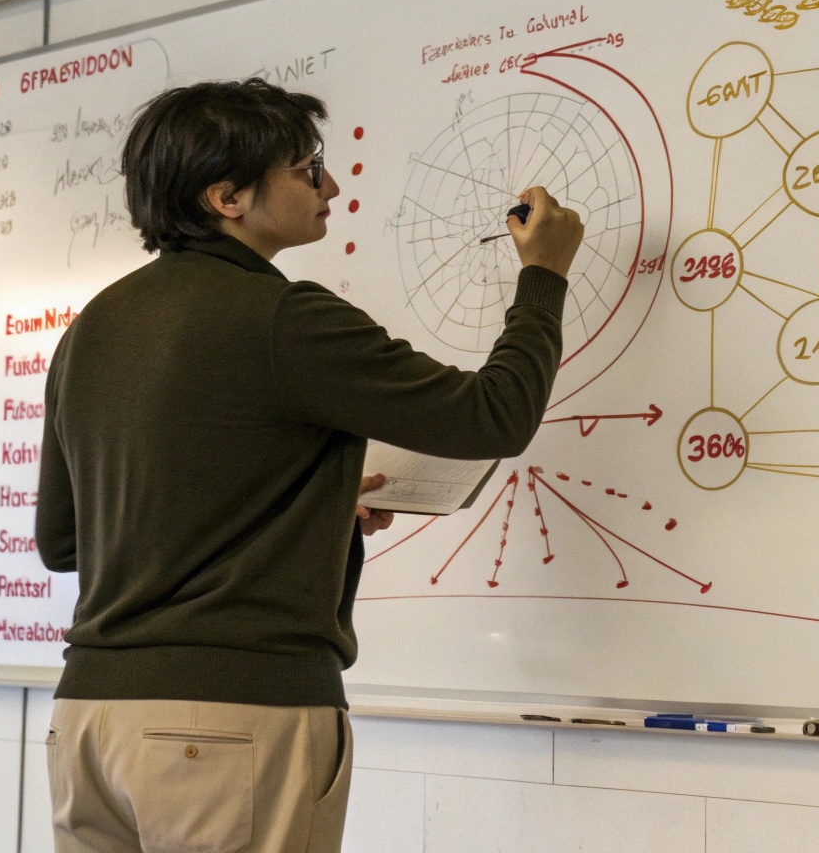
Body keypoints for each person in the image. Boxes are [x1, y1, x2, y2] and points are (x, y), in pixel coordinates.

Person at [35, 78, 583, 853]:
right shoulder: (283, 317)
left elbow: (64, 543)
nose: (331, 187)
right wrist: (545, 275)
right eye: (307, 169)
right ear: (227, 197)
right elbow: (496, 415)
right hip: (230, 722)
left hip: (88, 722)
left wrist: (308, 507)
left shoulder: (90, 328)